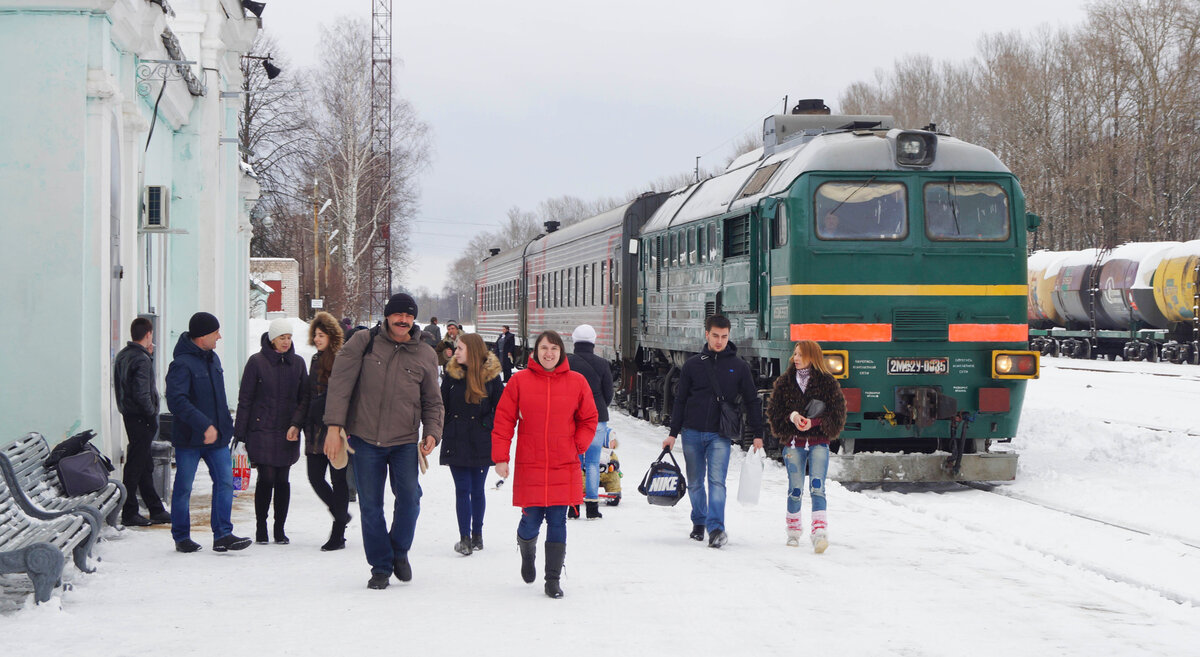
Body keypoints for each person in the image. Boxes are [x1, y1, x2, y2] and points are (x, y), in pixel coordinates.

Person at [324, 293, 443, 590]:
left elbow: (433, 401)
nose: (403, 320)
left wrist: (432, 432)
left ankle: (399, 551)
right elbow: (339, 385)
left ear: (414, 319)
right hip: (365, 439)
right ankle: (380, 566)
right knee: (371, 506)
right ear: (388, 316)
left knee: (410, 499)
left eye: (408, 316)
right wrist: (333, 427)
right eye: (397, 315)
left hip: (404, 441)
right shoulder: (364, 342)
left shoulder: (425, 354)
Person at [492, 330, 597, 599]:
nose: (548, 353)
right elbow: (504, 420)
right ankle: (527, 553)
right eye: (543, 348)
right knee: (531, 520)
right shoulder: (520, 381)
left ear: (561, 351)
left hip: (564, 462)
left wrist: (578, 445)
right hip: (532, 461)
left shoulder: (577, 382)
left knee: (558, 520)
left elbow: (589, 419)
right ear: (535, 352)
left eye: (553, 348)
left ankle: (552, 579)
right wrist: (501, 457)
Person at [662, 314, 763, 549]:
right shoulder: (692, 365)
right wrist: (672, 433)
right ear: (706, 334)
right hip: (691, 432)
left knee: (717, 482)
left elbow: (752, 400)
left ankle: (716, 528)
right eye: (715, 336)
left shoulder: (739, 367)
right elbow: (680, 400)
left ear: (729, 336)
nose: (720, 341)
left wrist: (758, 434)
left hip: (720, 435)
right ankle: (699, 521)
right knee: (696, 483)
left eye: (724, 337)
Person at [165, 312, 251, 553]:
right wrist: (204, 425)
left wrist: (227, 428)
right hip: (189, 440)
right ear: (202, 336)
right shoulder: (181, 364)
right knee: (183, 488)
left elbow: (220, 399)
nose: (219, 337)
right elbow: (176, 401)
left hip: (217, 439)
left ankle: (223, 534)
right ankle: (181, 537)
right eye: (216, 333)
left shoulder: (213, 360)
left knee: (225, 483)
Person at [766, 340, 846, 553]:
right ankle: (793, 531)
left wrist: (814, 423)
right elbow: (774, 412)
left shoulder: (828, 383)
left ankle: (819, 533)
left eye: (801, 354)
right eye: (795, 353)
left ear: (813, 357)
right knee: (795, 489)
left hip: (819, 442)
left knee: (818, 487)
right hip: (793, 443)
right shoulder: (785, 382)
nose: (796, 358)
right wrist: (792, 417)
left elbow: (836, 414)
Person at [234, 317, 307, 545]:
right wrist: (240, 434)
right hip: (261, 429)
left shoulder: (297, 363)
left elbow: (304, 398)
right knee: (266, 478)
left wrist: (296, 423)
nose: (286, 342)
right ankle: (261, 527)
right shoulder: (256, 362)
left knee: (283, 480)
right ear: (272, 339)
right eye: (282, 338)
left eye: (289, 338)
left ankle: (279, 529)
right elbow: (245, 399)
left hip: (287, 431)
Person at [439, 333, 504, 556]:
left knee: (477, 489)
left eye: (460, 349)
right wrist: (444, 428)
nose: (455, 352)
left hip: (480, 439)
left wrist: (487, 424)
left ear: (473, 352)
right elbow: (442, 405)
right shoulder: (451, 375)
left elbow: (501, 408)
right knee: (463, 489)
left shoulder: (491, 377)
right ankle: (464, 538)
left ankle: (477, 535)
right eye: (456, 349)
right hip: (457, 439)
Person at [295, 311, 351, 551]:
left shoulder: (341, 359)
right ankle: (340, 514)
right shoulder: (315, 360)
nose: (317, 339)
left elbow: (345, 394)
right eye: (315, 334)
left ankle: (338, 534)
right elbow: (307, 394)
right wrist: (297, 422)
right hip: (314, 428)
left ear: (332, 336)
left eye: (321, 335)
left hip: (335, 427)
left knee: (338, 479)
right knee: (315, 476)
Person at [113, 317, 170, 527]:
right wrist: (151, 412)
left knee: (144, 463)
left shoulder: (123, 355)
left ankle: (155, 508)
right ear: (148, 334)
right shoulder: (141, 359)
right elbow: (141, 392)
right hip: (141, 418)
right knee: (136, 466)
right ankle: (129, 512)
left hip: (129, 415)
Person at [566, 324, 614, 520]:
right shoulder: (603, 364)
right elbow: (609, 393)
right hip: (597, 418)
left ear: (574, 341)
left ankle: (574, 506)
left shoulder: (567, 362)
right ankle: (593, 508)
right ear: (594, 341)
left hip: (572, 418)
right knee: (593, 463)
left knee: (574, 463)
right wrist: (599, 407)